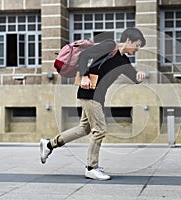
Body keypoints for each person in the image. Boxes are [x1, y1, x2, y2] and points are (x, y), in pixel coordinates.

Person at [40, 27, 146, 181]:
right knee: (100, 130)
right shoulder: (110, 46)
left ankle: (49, 145)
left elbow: (135, 78)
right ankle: (91, 167)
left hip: (97, 97)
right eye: (137, 45)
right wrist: (84, 76)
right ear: (128, 40)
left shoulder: (124, 61)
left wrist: (140, 76)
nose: (137, 49)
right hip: (89, 93)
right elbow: (84, 55)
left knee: (84, 128)